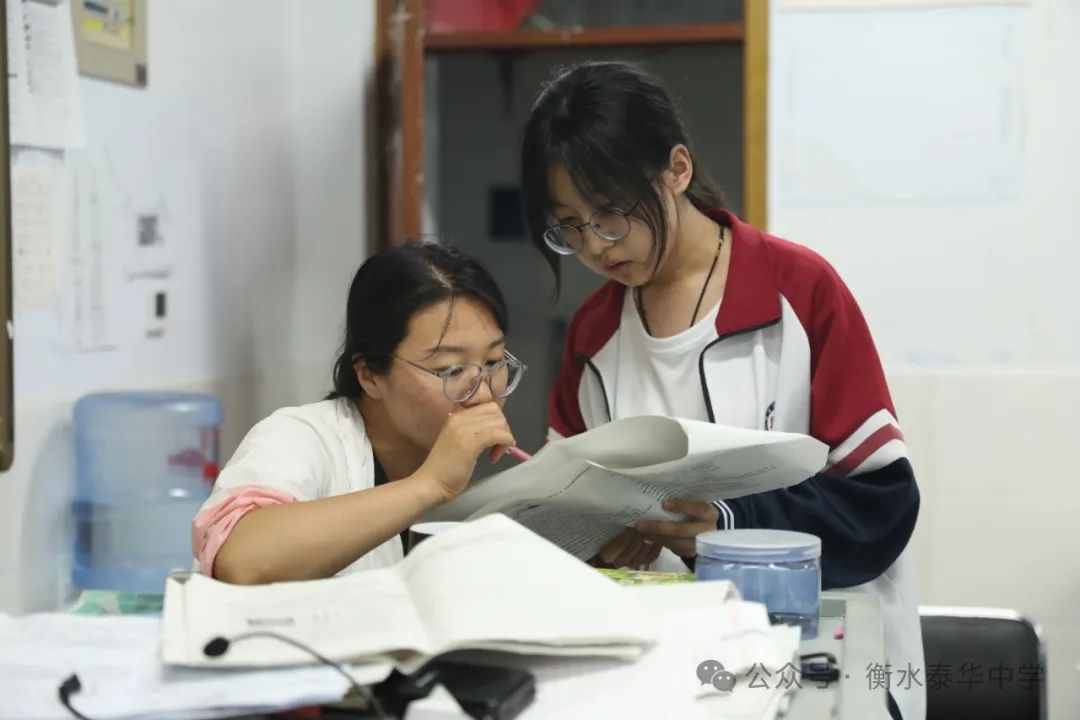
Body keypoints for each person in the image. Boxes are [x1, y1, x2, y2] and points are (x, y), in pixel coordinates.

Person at [520, 60, 923, 720]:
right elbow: (566, 506)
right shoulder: (594, 336)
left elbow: (882, 506)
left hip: (827, 666)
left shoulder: (797, 290)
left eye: (612, 214)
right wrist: (598, 541)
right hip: (676, 676)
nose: (595, 245)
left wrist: (728, 524)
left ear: (677, 170)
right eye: (569, 226)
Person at [191, 241, 526, 585]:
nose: (483, 394)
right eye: (451, 369)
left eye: (493, 362)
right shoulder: (301, 436)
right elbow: (242, 561)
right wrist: (429, 485)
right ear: (369, 374)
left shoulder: (467, 476)